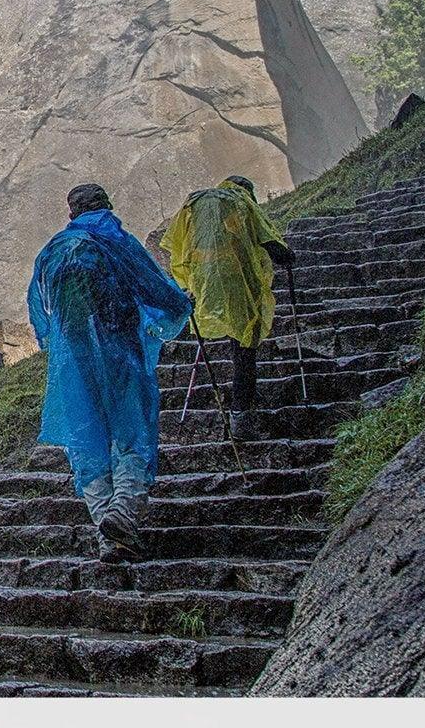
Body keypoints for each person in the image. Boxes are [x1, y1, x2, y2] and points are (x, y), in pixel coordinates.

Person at [28, 182, 194, 560]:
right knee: (132, 430)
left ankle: (110, 535)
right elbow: (153, 287)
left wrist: (61, 348)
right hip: (120, 350)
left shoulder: (51, 252)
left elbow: (39, 312)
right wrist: (180, 305)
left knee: (89, 440)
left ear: (70, 213)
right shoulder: (115, 240)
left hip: (76, 360)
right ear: (106, 205)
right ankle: (123, 513)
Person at [162, 174, 295, 438]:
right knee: (245, 348)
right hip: (239, 283)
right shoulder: (241, 201)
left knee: (226, 333)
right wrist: (287, 256)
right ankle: (240, 416)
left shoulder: (194, 204)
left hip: (204, 281)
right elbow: (268, 240)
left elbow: (175, 245)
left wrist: (189, 283)